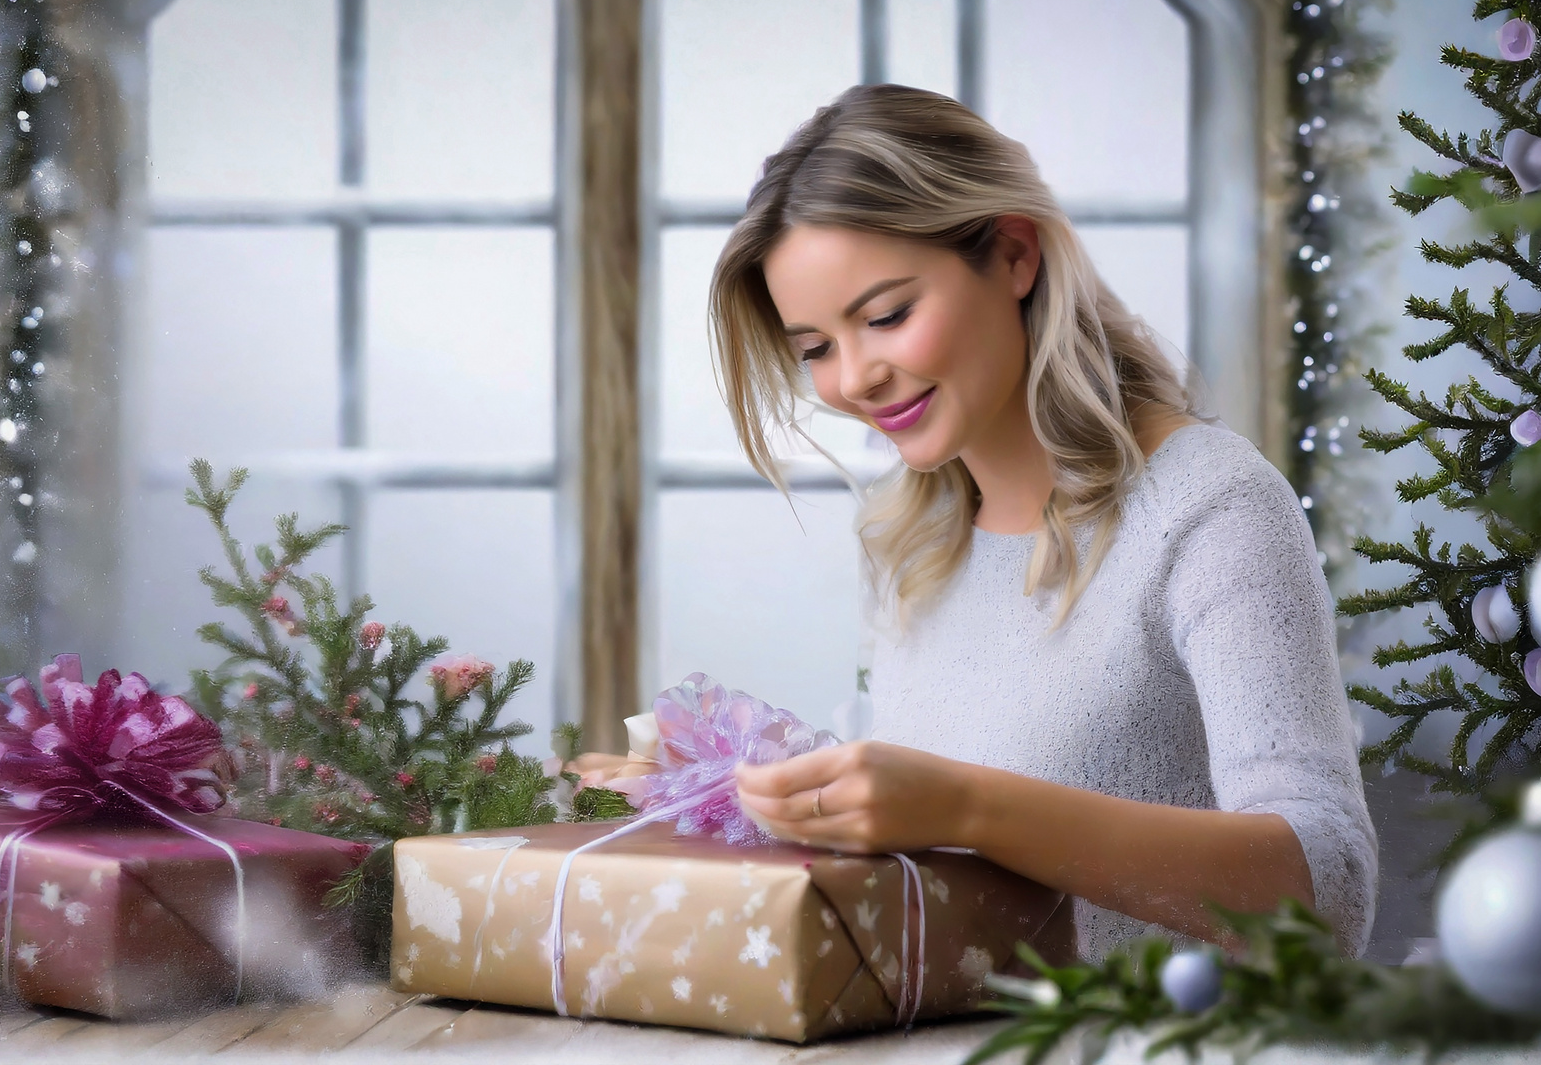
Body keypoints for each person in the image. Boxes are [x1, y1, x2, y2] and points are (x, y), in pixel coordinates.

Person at [576, 83, 1377, 960]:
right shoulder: (916, 538)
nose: (855, 378)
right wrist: (730, 800)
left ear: (1015, 255)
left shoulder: (1210, 509)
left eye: (886, 316)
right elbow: (939, 867)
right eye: (814, 350)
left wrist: (969, 805)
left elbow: (1328, 895)